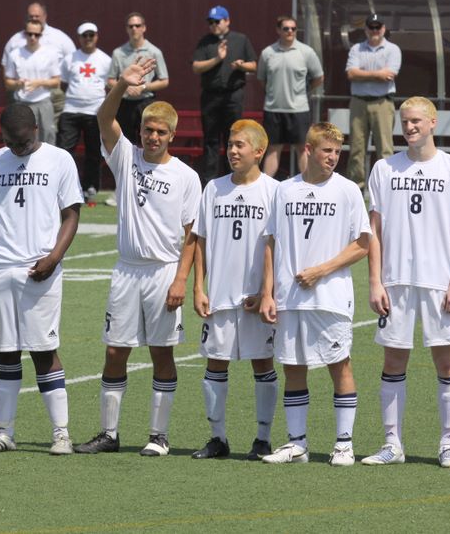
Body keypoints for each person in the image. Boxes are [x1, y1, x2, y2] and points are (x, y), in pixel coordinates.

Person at [75, 57, 202, 457]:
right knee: (115, 350)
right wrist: (121, 85)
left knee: (161, 352)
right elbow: (103, 119)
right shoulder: (126, 157)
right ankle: (109, 434)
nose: (153, 137)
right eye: (148, 130)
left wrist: (181, 280)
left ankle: (158, 435)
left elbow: (192, 235)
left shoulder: (186, 176)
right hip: (126, 272)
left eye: (161, 132)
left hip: (163, 272)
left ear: (172, 135)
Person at [362, 96, 450, 468]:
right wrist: (375, 281)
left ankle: (448, 444)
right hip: (395, 281)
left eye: (416, 121)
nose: (409, 127)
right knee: (394, 360)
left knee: (446, 361)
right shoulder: (384, 168)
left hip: (439, 282)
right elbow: (374, 230)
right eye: (405, 121)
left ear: (432, 122)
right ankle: (392, 444)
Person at [0, 103, 82, 455]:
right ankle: (4, 433)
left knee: (44, 351)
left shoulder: (60, 159)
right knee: (6, 353)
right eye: (10, 142)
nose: (17, 149)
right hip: (0, 269)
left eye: (23, 142)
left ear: (36, 130)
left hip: (39, 270)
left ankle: (61, 434)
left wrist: (53, 258)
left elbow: (71, 214)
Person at [259, 122, 371, 467]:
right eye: (327, 151)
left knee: (339, 365)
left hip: (330, 298)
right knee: (293, 367)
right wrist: (267, 293)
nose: (333, 157)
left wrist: (322, 270)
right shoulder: (284, 190)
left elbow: (363, 244)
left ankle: (344, 445)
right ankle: (297, 444)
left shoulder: (348, 190)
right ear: (308, 150)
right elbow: (271, 242)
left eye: (337, 152)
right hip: (289, 298)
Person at [190, 119, 279, 461]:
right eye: (230, 145)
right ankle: (218, 438)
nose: (232, 151)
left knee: (263, 363)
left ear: (259, 151)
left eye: (240, 145)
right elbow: (200, 240)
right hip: (219, 296)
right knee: (216, 362)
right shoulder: (213, 188)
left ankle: (263, 439)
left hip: (256, 298)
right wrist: (199, 287)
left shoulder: (274, 191)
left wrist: (267, 292)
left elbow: (276, 245)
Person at [192, 5, 257, 186]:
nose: (213, 25)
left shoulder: (240, 39)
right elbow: (196, 67)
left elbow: (253, 65)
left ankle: (233, 179)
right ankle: (209, 183)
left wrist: (241, 66)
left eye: (217, 21)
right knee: (211, 140)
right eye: (210, 22)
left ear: (227, 21)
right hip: (211, 97)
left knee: (234, 139)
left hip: (233, 96)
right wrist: (217, 59)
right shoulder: (205, 42)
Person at [256, 15, 324, 178]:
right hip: (273, 109)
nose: (290, 32)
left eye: (293, 28)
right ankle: (267, 187)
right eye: (286, 28)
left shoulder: (306, 52)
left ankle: (308, 184)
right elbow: (262, 79)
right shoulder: (267, 53)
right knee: (273, 149)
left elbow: (319, 77)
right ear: (278, 30)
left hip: (299, 109)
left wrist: (304, 91)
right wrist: (273, 93)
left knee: (302, 149)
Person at [345, 13, 401, 192]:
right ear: (366, 29)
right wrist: (378, 74)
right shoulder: (356, 49)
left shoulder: (393, 49)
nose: (375, 30)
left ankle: (386, 191)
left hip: (382, 103)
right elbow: (351, 74)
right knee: (356, 150)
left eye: (378, 27)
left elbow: (389, 75)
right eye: (371, 27)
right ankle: (356, 191)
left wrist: (362, 74)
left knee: (385, 150)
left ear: (383, 28)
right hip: (358, 103)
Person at [58, 22, 111, 202]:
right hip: (71, 109)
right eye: (84, 35)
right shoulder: (70, 58)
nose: (88, 39)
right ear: (79, 38)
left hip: (95, 110)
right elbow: (64, 81)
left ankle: (90, 186)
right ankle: (65, 185)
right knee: (65, 150)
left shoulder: (105, 60)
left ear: (96, 36)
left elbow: (109, 83)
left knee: (94, 151)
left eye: (91, 35)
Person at [2, 2, 76, 130]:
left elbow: (73, 61)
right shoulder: (16, 40)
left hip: (51, 93)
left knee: (49, 132)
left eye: (37, 16)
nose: (34, 18)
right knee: (22, 132)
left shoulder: (60, 37)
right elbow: (5, 66)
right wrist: (17, 84)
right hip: (21, 95)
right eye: (31, 16)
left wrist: (44, 83)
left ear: (45, 16)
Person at [107, 12, 170, 148]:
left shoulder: (154, 52)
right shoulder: (118, 53)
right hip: (125, 104)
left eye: (137, 25)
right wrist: (125, 86)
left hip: (146, 102)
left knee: (149, 140)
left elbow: (164, 81)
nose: (134, 29)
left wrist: (143, 87)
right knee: (124, 143)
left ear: (144, 28)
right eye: (131, 26)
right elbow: (110, 80)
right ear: (126, 29)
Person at [4, 20, 63, 145]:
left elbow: (56, 82)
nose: (32, 37)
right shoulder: (15, 54)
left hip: (43, 102)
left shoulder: (50, 53)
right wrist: (18, 84)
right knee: (22, 140)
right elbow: (8, 83)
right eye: (29, 34)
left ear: (41, 35)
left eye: (36, 34)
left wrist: (39, 83)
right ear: (24, 34)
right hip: (22, 103)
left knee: (47, 139)